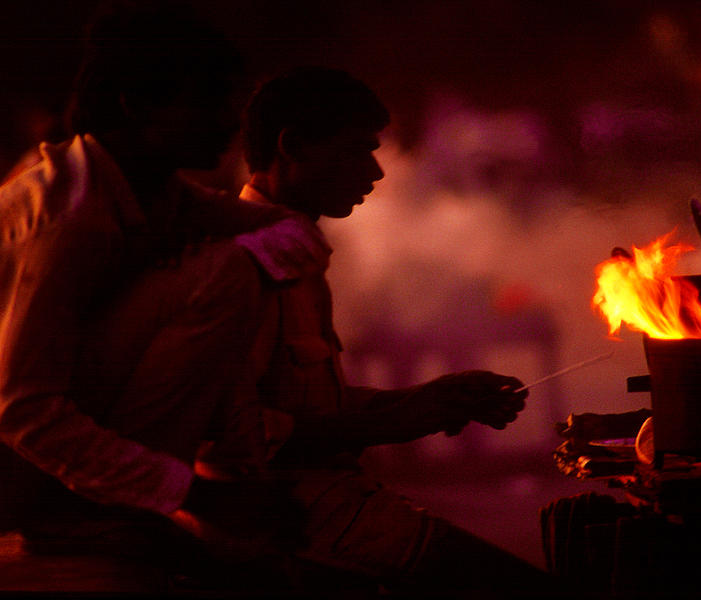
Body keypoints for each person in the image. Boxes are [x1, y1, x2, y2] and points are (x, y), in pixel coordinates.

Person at [0, 2, 302, 585]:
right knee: (224, 274)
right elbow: (23, 411)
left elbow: (283, 231)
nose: (228, 122)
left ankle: (142, 499)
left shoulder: (153, 193)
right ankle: (109, 509)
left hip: (47, 460)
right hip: (14, 467)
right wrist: (198, 497)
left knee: (234, 262)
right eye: (209, 102)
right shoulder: (71, 219)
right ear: (134, 106)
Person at [232, 66, 552, 594]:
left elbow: (306, 405)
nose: (375, 172)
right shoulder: (242, 262)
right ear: (292, 147)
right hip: (289, 525)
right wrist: (397, 422)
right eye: (356, 150)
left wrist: (425, 400)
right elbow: (233, 436)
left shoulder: (296, 251)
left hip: (338, 508)